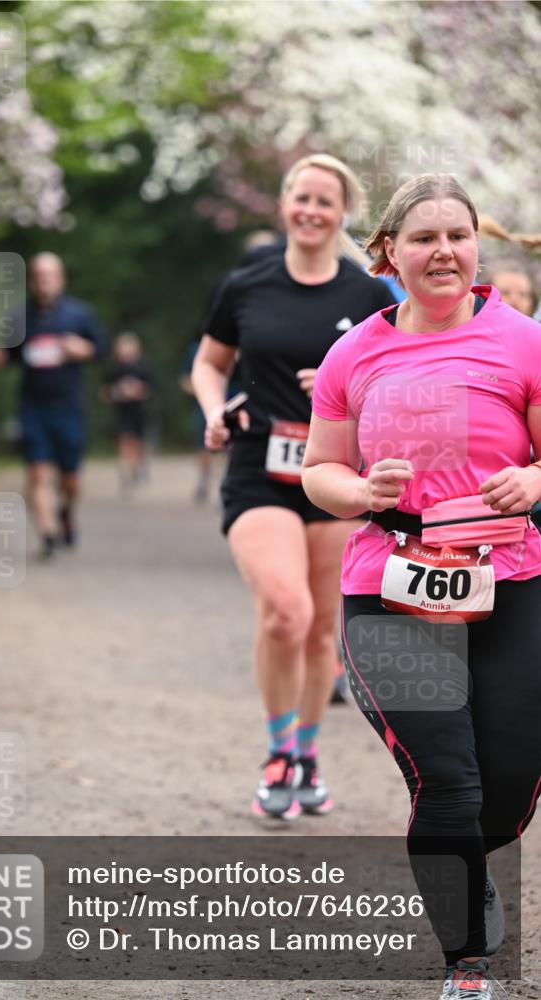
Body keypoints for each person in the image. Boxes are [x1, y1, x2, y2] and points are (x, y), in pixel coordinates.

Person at [302, 173, 541, 998]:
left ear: (475, 247)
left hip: (509, 580)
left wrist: (532, 480)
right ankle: (466, 964)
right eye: (423, 237)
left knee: (506, 785)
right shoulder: (353, 353)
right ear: (388, 253)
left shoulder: (523, 341)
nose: (443, 251)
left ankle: (461, 860)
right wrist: (359, 490)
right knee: (446, 779)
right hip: (390, 586)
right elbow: (320, 468)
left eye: (456, 235)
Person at [191, 153, 397, 820]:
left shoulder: (368, 296)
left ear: (343, 214)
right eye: (301, 198)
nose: (311, 211)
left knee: (319, 629)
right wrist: (213, 410)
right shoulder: (245, 284)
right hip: (259, 467)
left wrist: (344, 390)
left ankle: (305, 756)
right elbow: (208, 364)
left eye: (324, 201)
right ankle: (277, 752)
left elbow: (398, 385)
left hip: (335, 473)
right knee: (286, 611)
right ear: (283, 205)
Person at [0, 252, 108, 557]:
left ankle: (65, 511)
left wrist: (83, 350)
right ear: (31, 281)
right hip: (33, 406)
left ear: (61, 279)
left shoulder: (80, 315)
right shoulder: (19, 318)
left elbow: (102, 349)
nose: (44, 281)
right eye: (39, 275)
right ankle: (48, 535)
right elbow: (8, 354)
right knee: (37, 473)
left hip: (69, 406)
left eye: (50, 275)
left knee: (71, 478)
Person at [103, 332, 155, 493]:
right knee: (125, 441)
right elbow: (105, 393)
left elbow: (151, 390)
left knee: (138, 443)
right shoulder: (114, 370)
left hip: (140, 411)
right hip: (122, 412)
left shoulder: (143, 368)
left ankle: (137, 468)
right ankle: (125, 474)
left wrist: (139, 391)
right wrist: (116, 393)